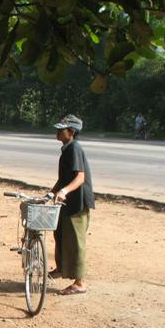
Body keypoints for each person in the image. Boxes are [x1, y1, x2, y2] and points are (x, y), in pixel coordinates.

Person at [49, 114, 95, 295]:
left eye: (61, 129)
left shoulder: (74, 148)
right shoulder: (66, 148)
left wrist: (64, 192)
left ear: (71, 132)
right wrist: (52, 192)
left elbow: (80, 177)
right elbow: (63, 179)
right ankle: (61, 269)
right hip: (66, 202)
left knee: (76, 242)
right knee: (59, 233)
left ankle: (80, 282)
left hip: (77, 202)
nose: (58, 132)